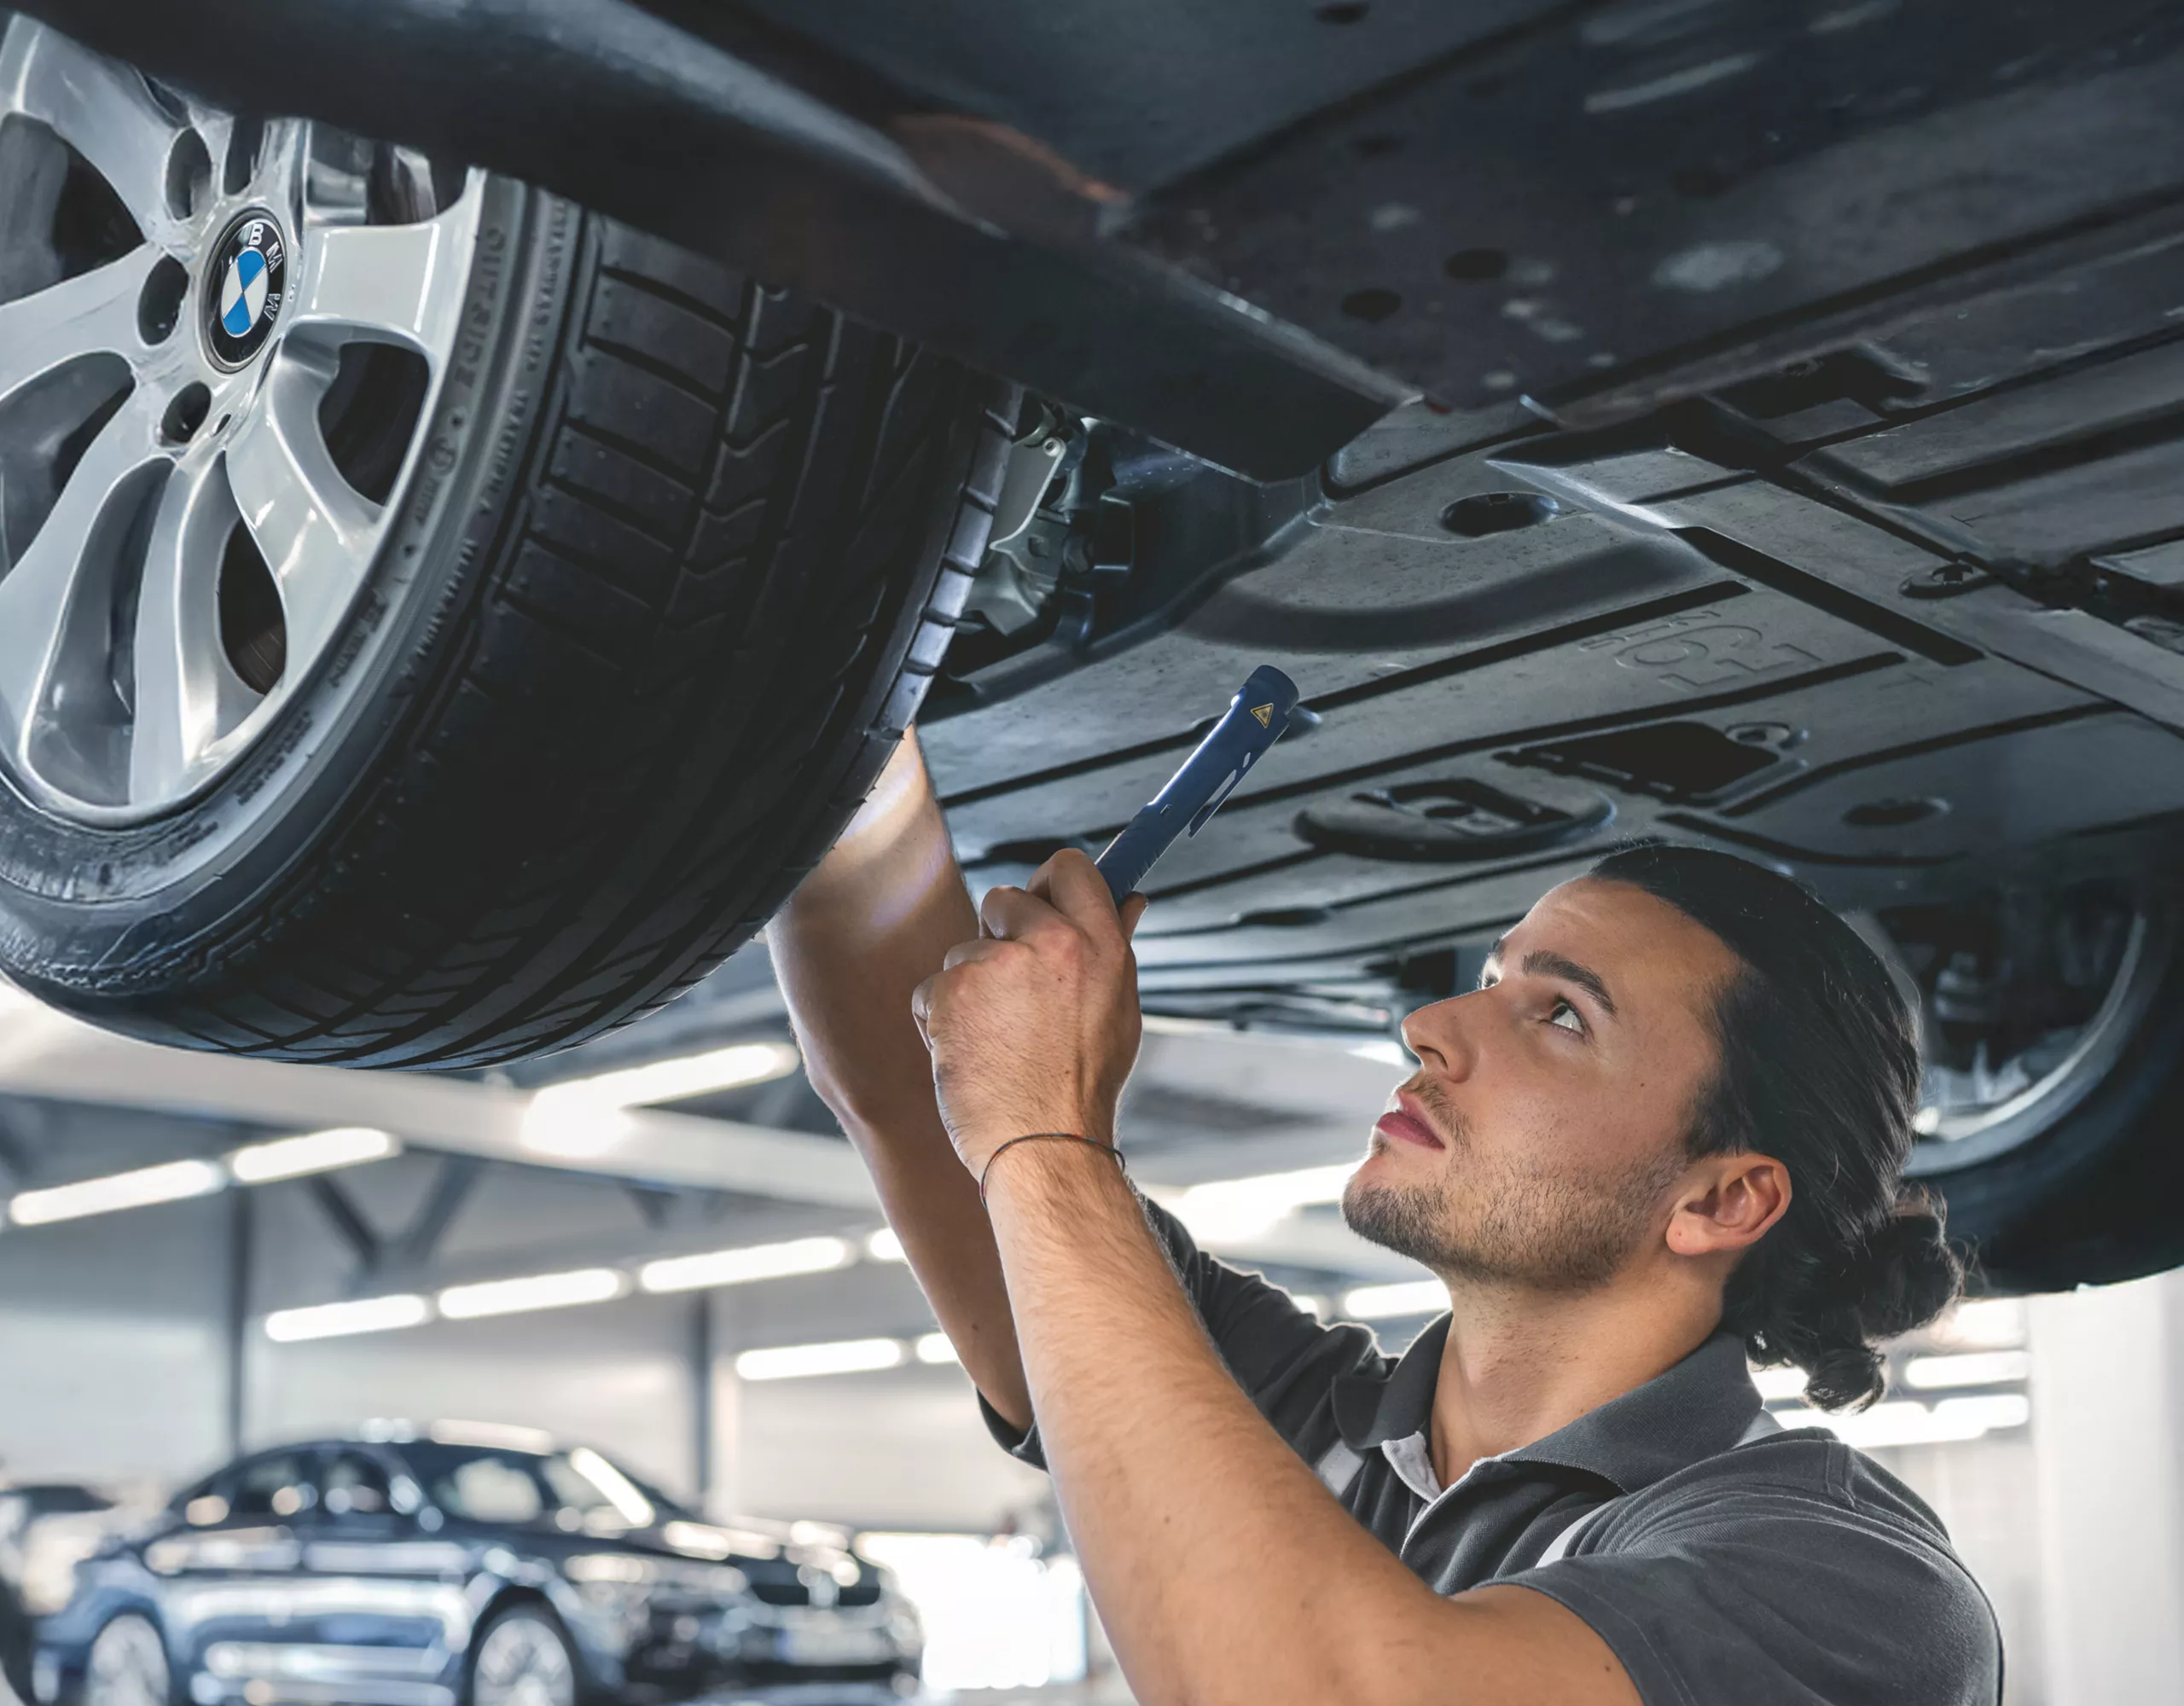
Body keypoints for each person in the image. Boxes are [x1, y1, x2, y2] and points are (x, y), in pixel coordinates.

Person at [770, 730, 2003, 1706]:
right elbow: (920, 1084)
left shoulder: (1848, 1584)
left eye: (1561, 1015)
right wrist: (822, 676)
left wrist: (1049, 1138)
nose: (1432, 1026)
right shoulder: (1322, 1427)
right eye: (1489, 977)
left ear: (1722, 1198)